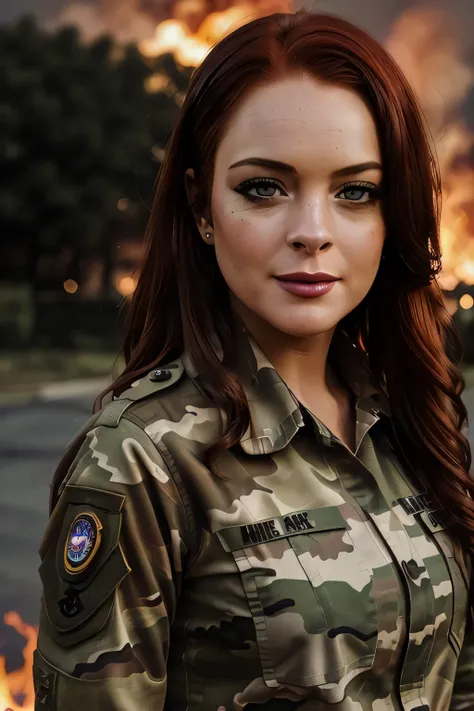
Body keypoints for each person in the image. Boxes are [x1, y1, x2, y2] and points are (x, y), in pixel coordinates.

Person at [33, 10, 474, 711]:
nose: (312, 233)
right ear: (201, 206)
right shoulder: (141, 462)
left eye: (355, 192)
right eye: (263, 187)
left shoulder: (410, 420)